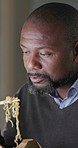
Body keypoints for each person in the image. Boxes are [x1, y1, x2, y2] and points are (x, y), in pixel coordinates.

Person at [1, 2, 78, 148]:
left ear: (76, 51)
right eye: (26, 52)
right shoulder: (23, 98)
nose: (31, 65)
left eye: (44, 53)